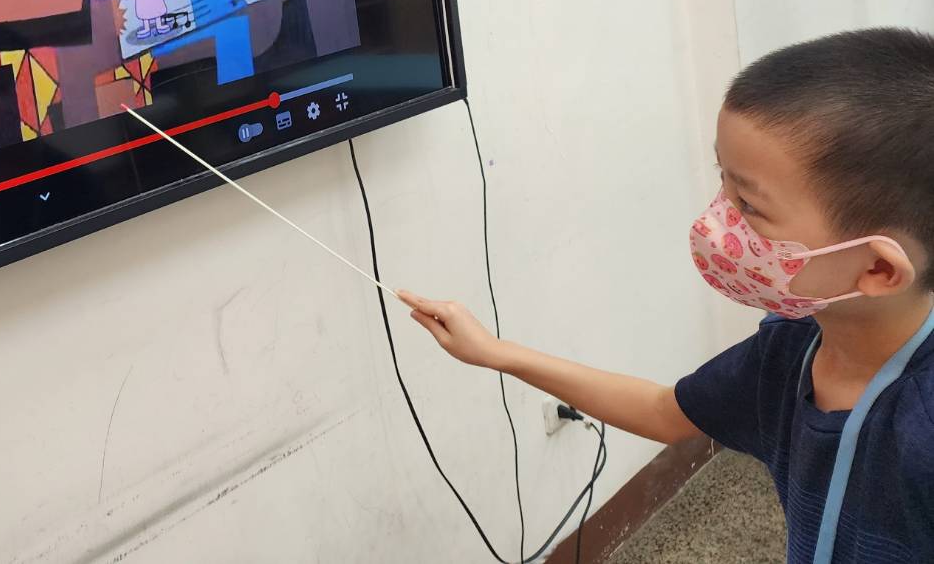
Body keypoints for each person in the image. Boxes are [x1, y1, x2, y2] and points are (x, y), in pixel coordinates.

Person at [400, 28, 934, 564]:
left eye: (749, 204)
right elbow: (664, 412)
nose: (717, 221)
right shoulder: (790, 350)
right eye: (723, 182)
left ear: (879, 269)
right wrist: (495, 353)